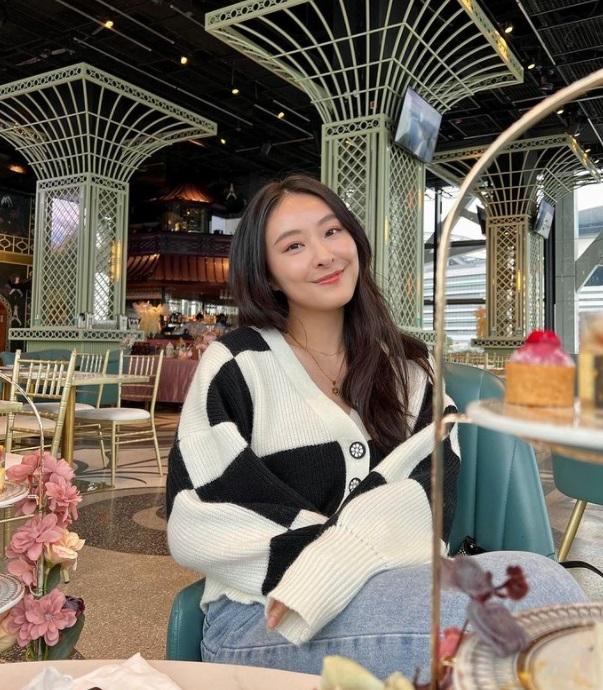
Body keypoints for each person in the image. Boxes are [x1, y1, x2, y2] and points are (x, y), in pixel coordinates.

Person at [166, 175, 585, 680]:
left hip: (395, 589)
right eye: (294, 246)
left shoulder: (408, 369)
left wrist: (340, 561)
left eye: (332, 231)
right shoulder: (237, 364)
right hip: (262, 615)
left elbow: (430, 497)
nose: (324, 255)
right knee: (540, 609)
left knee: (546, 592)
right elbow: (200, 512)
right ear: (268, 273)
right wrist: (325, 567)